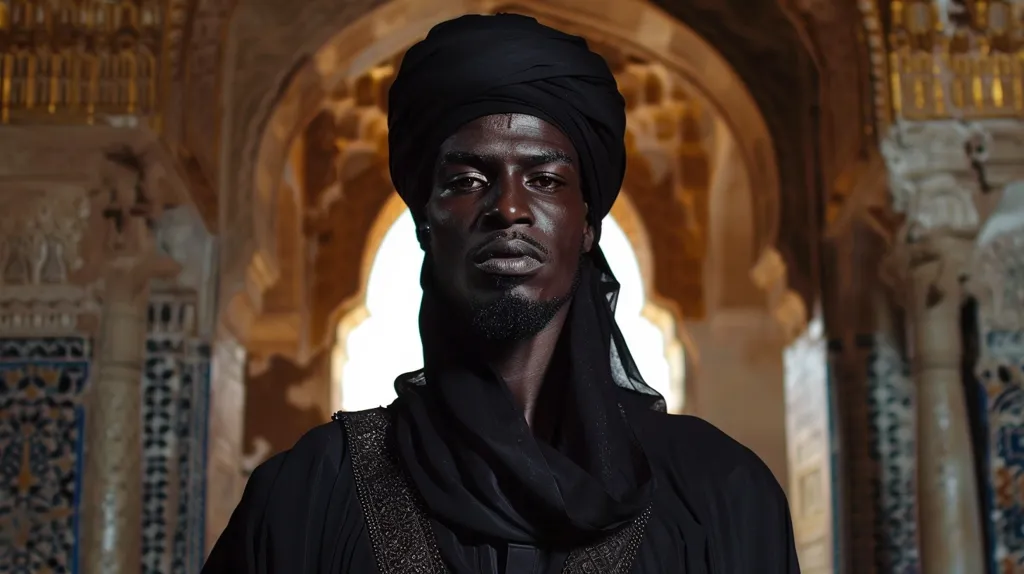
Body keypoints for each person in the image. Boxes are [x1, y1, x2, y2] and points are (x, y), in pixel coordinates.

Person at [203, 13, 799, 574]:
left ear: (587, 222)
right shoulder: (311, 492)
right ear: (424, 219)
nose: (509, 208)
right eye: (467, 181)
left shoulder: (718, 491)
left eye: (544, 180)